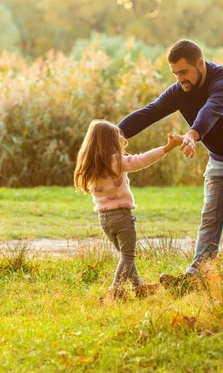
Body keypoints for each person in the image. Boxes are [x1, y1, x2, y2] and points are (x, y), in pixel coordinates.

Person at [118, 39, 223, 288]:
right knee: (210, 218)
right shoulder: (180, 90)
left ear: (200, 63)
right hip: (219, 158)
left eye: (183, 72)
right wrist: (109, 137)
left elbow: (212, 109)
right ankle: (196, 276)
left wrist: (192, 134)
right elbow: (150, 112)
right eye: (175, 73)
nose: (180, 79)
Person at [74, 119, 182, 300]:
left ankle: (139, 287)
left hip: (104, 219)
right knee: (128, 255)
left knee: (126, 256)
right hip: (122, 217)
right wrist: (166, 148)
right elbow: (141, 160)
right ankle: (115, 291)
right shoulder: (115, 162)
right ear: (110, 142)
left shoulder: (89, 166)